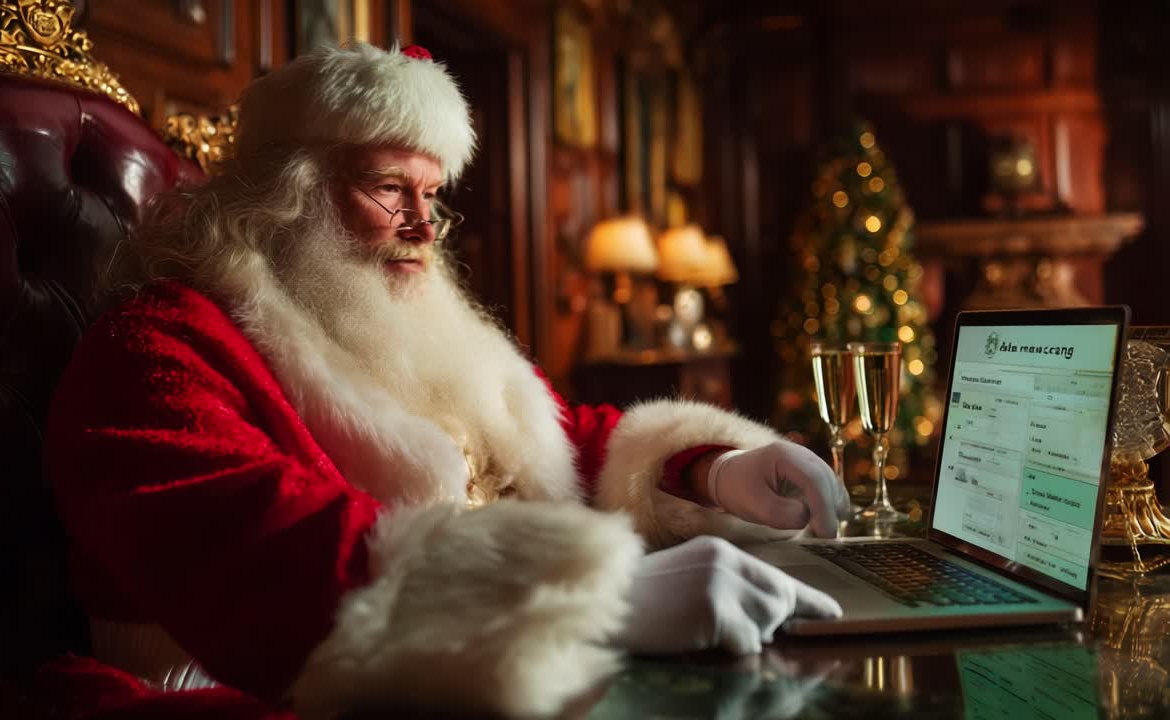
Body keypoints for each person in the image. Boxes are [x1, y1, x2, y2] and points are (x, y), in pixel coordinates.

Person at [44, 42, 850, 718]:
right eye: (390, 188)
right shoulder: (153, 349)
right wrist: (591, 605)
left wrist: (711, 469)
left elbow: (551, 442)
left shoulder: (394, 326)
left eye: (431, 195)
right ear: (286, 195)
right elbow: (262, 558)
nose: (424, 227)